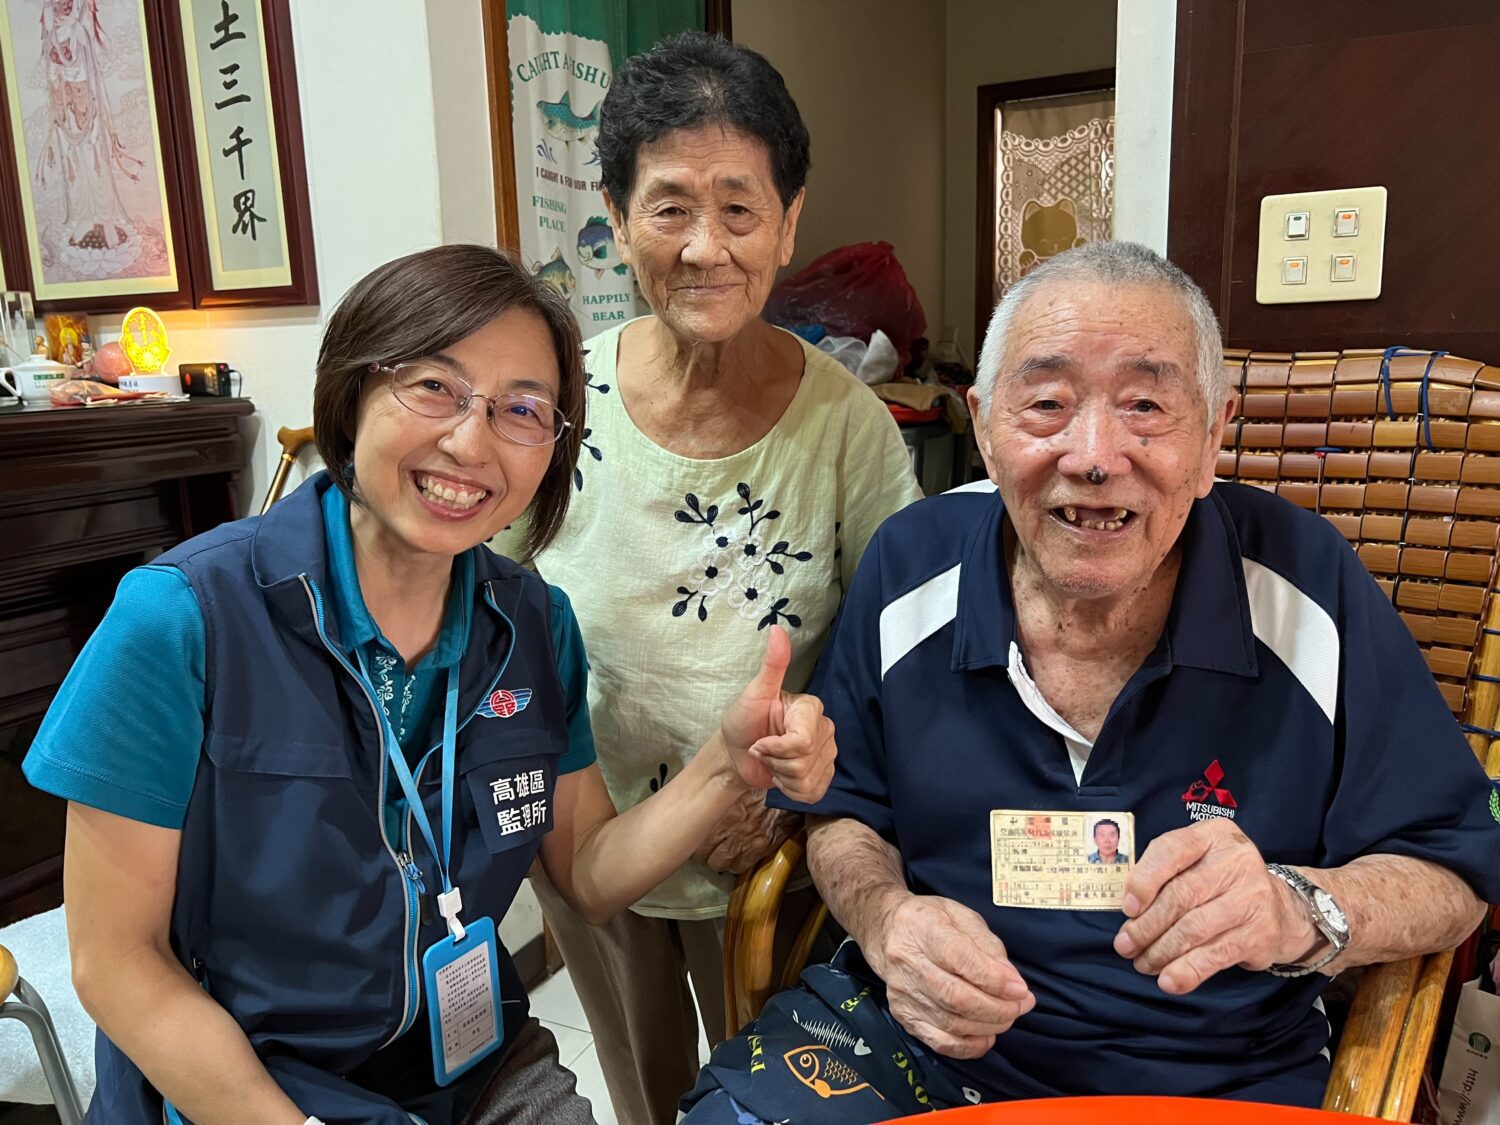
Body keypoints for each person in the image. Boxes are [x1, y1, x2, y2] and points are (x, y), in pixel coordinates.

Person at [681, 241, 1500, 1122]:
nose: (1095, 456)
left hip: (1220, 1071)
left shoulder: (1307, 585)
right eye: (1047, 404)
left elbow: (1453, 869)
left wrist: (1297, 907)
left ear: (1214, 433)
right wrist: (886, 920)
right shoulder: (909, 563)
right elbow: (846, 810)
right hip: (921, 1048)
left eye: (1146, 404)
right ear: (984, 426)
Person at [22, 245, 836, 1124]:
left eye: (521, 409)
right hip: (249, 1081)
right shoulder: (183, 618)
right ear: (352, 389)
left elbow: (588, 873)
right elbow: (117, 962)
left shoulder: (534, 627)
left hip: (468, 1063)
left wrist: (723, 765)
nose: (470, 442)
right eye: (435, 387)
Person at [510, 30, 922, 1125]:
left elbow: (903, 649)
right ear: (615, 213)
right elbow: (486, 608)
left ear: (788, 221)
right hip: (591, 836)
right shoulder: (557, 401)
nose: (705, 247)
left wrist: (790, 801)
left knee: (780, 1095)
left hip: (771, 857)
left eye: (739, 209)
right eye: (669, 207)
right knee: (644, 1091)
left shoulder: (849, 428)